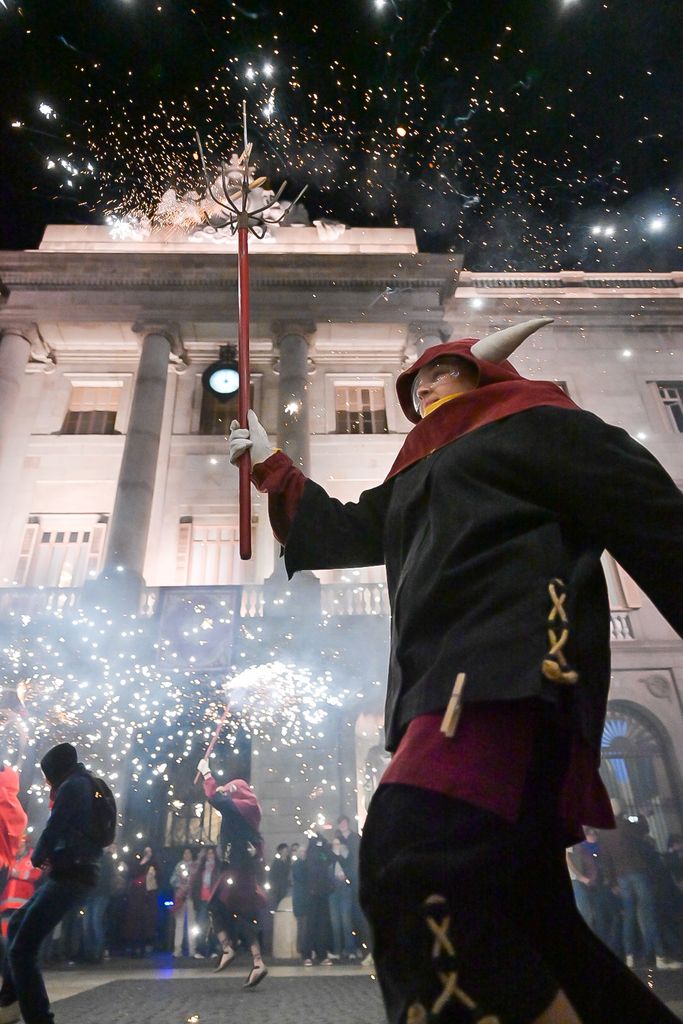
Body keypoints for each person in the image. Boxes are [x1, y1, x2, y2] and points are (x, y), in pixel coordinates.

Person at [229, 317, 683, 1024]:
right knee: (535, 924)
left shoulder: (544, 425)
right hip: (434, 685)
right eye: (415, 386)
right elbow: (344, 530)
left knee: (414, 857)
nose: (424, 390)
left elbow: (659, 525)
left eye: (440, 372)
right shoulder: (415, 469)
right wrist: (271, 464)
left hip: (512, 670)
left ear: (485, 373)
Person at [0, 743, 103, 1024]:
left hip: (71, 874)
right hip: (74, 872)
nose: (46, 782)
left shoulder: (73, 786)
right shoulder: (86, 783)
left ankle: (37, 1017)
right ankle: (9, 1000)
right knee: (17, 925)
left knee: (22, 949)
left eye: (47, 775)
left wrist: (38, 856)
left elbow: (54, 826)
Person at [195, 759, 268, 988]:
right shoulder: (249, 809)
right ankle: (254, 960)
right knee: (239, 913)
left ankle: (231, 949)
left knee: (220, 907)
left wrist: (207, 773)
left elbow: (215, 798)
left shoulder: (240, 809)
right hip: (240, 868)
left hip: (236, 869)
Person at [600, 804, 681, 971]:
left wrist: (611, 882)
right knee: (649, 913)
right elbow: (643, 829)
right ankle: (660, 956)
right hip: (637, 872)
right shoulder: (626, 824)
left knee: (629, 916)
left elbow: (606, 859)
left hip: (621, 876)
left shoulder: (604, 833)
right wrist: (641, 815)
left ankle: (630, 956)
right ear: (620, 811)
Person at [123, 846, 159, 957]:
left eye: (149, 851)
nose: (147, 853)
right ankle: (134, 948)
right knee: (134, 922)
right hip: (136, 895)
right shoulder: (136, 862)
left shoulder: (154, 864)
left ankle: (142, 948)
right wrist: (143, 863)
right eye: (146, 851)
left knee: (145, 922)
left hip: (147, 896)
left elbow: (158, 878)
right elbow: (133, 873)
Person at [329, 835, 356, 960]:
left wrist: (338, 855)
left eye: (338, 843)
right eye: (334, 844)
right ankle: (337, 950)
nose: (336, 846)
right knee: (335, 922)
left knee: (346, 920)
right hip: (333, 890)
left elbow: (349, 867)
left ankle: (350, 950)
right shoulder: (329, 857)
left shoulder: (346, 855)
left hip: (345, 888)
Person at [191, 846, 220, 958]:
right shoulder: (201, 869)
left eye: (212, 853)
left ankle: (213, 949)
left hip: (213, 900)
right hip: (202, 900)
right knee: (201, 925)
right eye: (208, 854)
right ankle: (200, 949)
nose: (210, 856)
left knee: (214, 926)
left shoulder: (217, 869)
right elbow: (196, 885)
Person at [170, 847, 199, 958]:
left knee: (192, 925)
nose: (187, 855)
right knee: (179, 924)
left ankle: (192, 949)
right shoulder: (179, 866)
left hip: (191, 898)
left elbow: (197, 880)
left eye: (188, 853)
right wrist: (180, 885)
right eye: (185, 853)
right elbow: (172, 880)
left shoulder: (195, 866)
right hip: (181, 898)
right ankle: (177, 949)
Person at [269, 843, 291, 909]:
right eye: (285, 850)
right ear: (280, 851)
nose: (286, 852)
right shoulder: (276, 862)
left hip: (286, 885)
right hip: (278, 886)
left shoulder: (289, 861)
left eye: (287, 850)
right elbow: (272, 875)